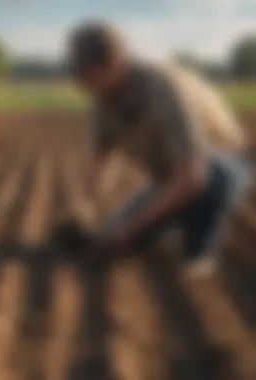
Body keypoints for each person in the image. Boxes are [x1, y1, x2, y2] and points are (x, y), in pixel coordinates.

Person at [66, 20, 250, 276]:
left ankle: (199, 248)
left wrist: (130, 228)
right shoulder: (103, 100)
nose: (81, 83)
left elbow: (192, 176)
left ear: (115, 64)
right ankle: (174, 217)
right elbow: (101, 162)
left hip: (220, 164)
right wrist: (83, 207)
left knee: (213, 181)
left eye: (86, 74)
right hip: (172, 177)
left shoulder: (161, 87)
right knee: (110, 236)